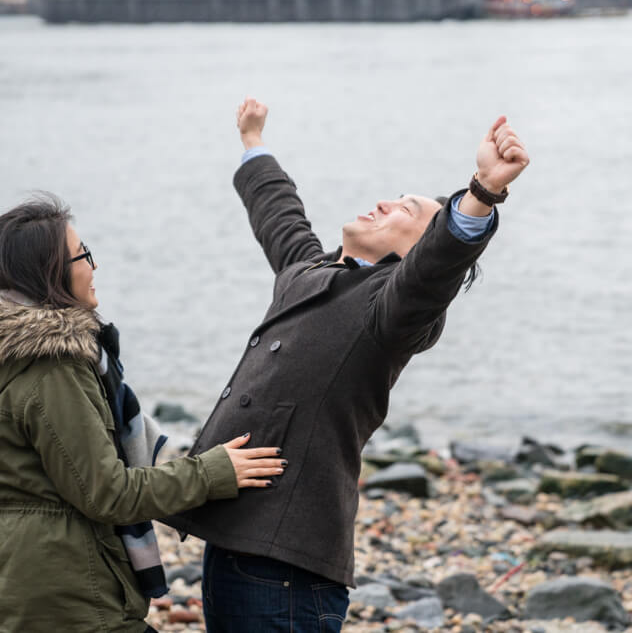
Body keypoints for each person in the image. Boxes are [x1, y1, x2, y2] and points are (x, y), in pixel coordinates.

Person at [162, 98, 530, 632]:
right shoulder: (310, 271)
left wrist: (481, 191)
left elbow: (436, 268)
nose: (383, 203)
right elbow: (278, 214)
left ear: (418, 249)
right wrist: (252, 142)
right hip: (238, 541)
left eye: (405, 209)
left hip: (288, 565)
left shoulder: (394, 310)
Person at [0, 195, 285, 633]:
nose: (93, 267)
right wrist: (211, 474)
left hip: (16, 576)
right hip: (71, 592)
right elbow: (107, 493)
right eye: (84, 254)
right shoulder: (53, 367)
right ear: (50, 271)